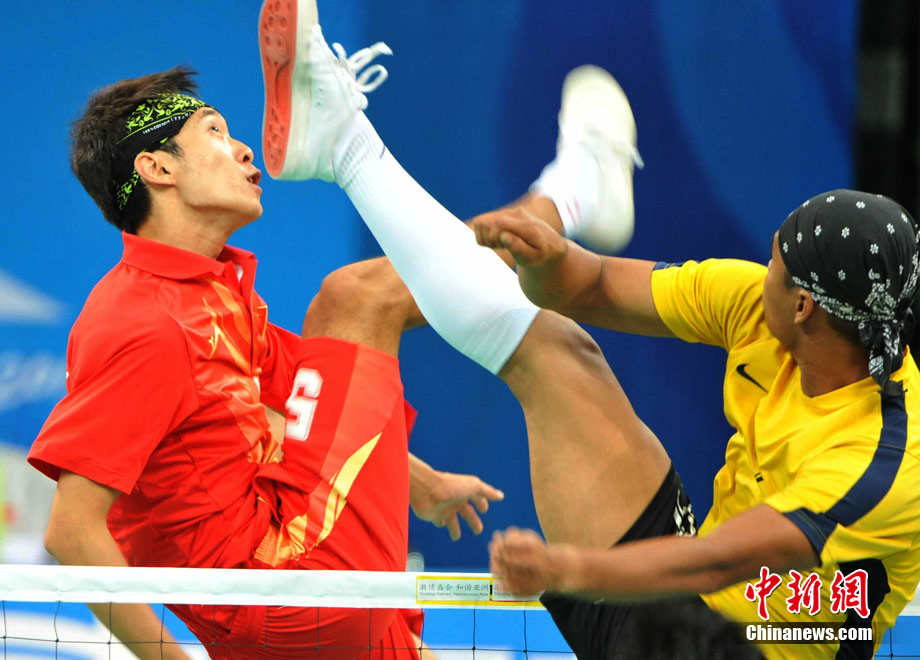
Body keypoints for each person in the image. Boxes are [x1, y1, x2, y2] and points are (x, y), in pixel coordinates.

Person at [259, 2, 920, 659]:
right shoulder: (755, 304)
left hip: (734, 648)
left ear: (804, 306)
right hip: (687, 594)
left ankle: (555, 180)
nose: (761, 269)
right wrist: (549, 258)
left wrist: (568, 570)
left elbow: (722, 561)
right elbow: (591, 285)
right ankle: (359, 146)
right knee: (554, 348)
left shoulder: (883, 464)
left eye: (775, 264)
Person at [27, 63, 511, 660]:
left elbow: (314, 405)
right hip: (286, 591)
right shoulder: (143, 325)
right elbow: (71, 529)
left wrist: (422, 484)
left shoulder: (211, 293)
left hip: (285, 589)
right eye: (214, 132)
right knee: (354, 299)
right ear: (158, 169)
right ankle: (568, 207)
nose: (243, 148)